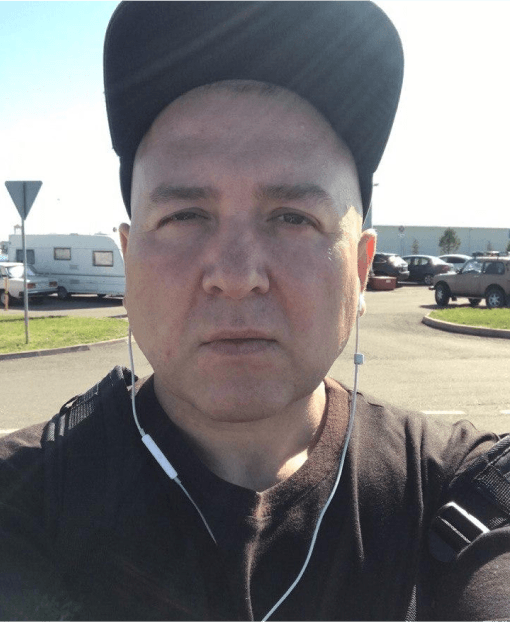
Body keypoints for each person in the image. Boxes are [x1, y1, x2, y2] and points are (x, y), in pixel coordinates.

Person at [0, 2, 509, 621]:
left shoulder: (463, 491)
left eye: (292, 217)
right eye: (186, 216)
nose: (236, 277)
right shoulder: (22, 498)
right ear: (129, 264)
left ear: (359, 268)